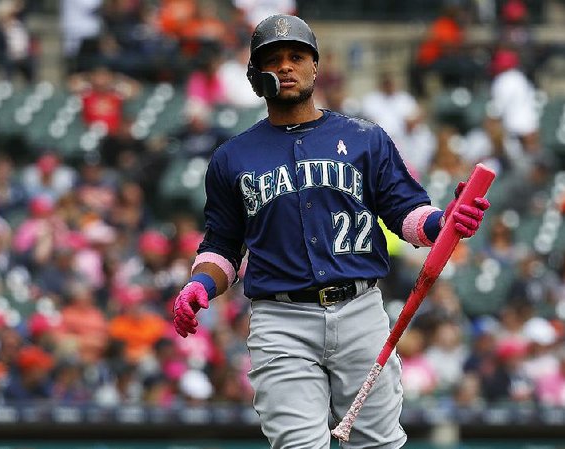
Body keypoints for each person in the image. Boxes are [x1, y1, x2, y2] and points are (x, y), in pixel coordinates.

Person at [170, 15, 490, 448]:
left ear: (315, 67)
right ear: (255, 75)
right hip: (282, 321)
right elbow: (223, 246)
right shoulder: (232, 157)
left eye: (296, 56)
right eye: (274, 59)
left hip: (360, 311)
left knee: (378, 444)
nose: (286, 66)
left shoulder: (364, 138)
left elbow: (405, 211)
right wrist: (201, 283)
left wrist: (443, 222)